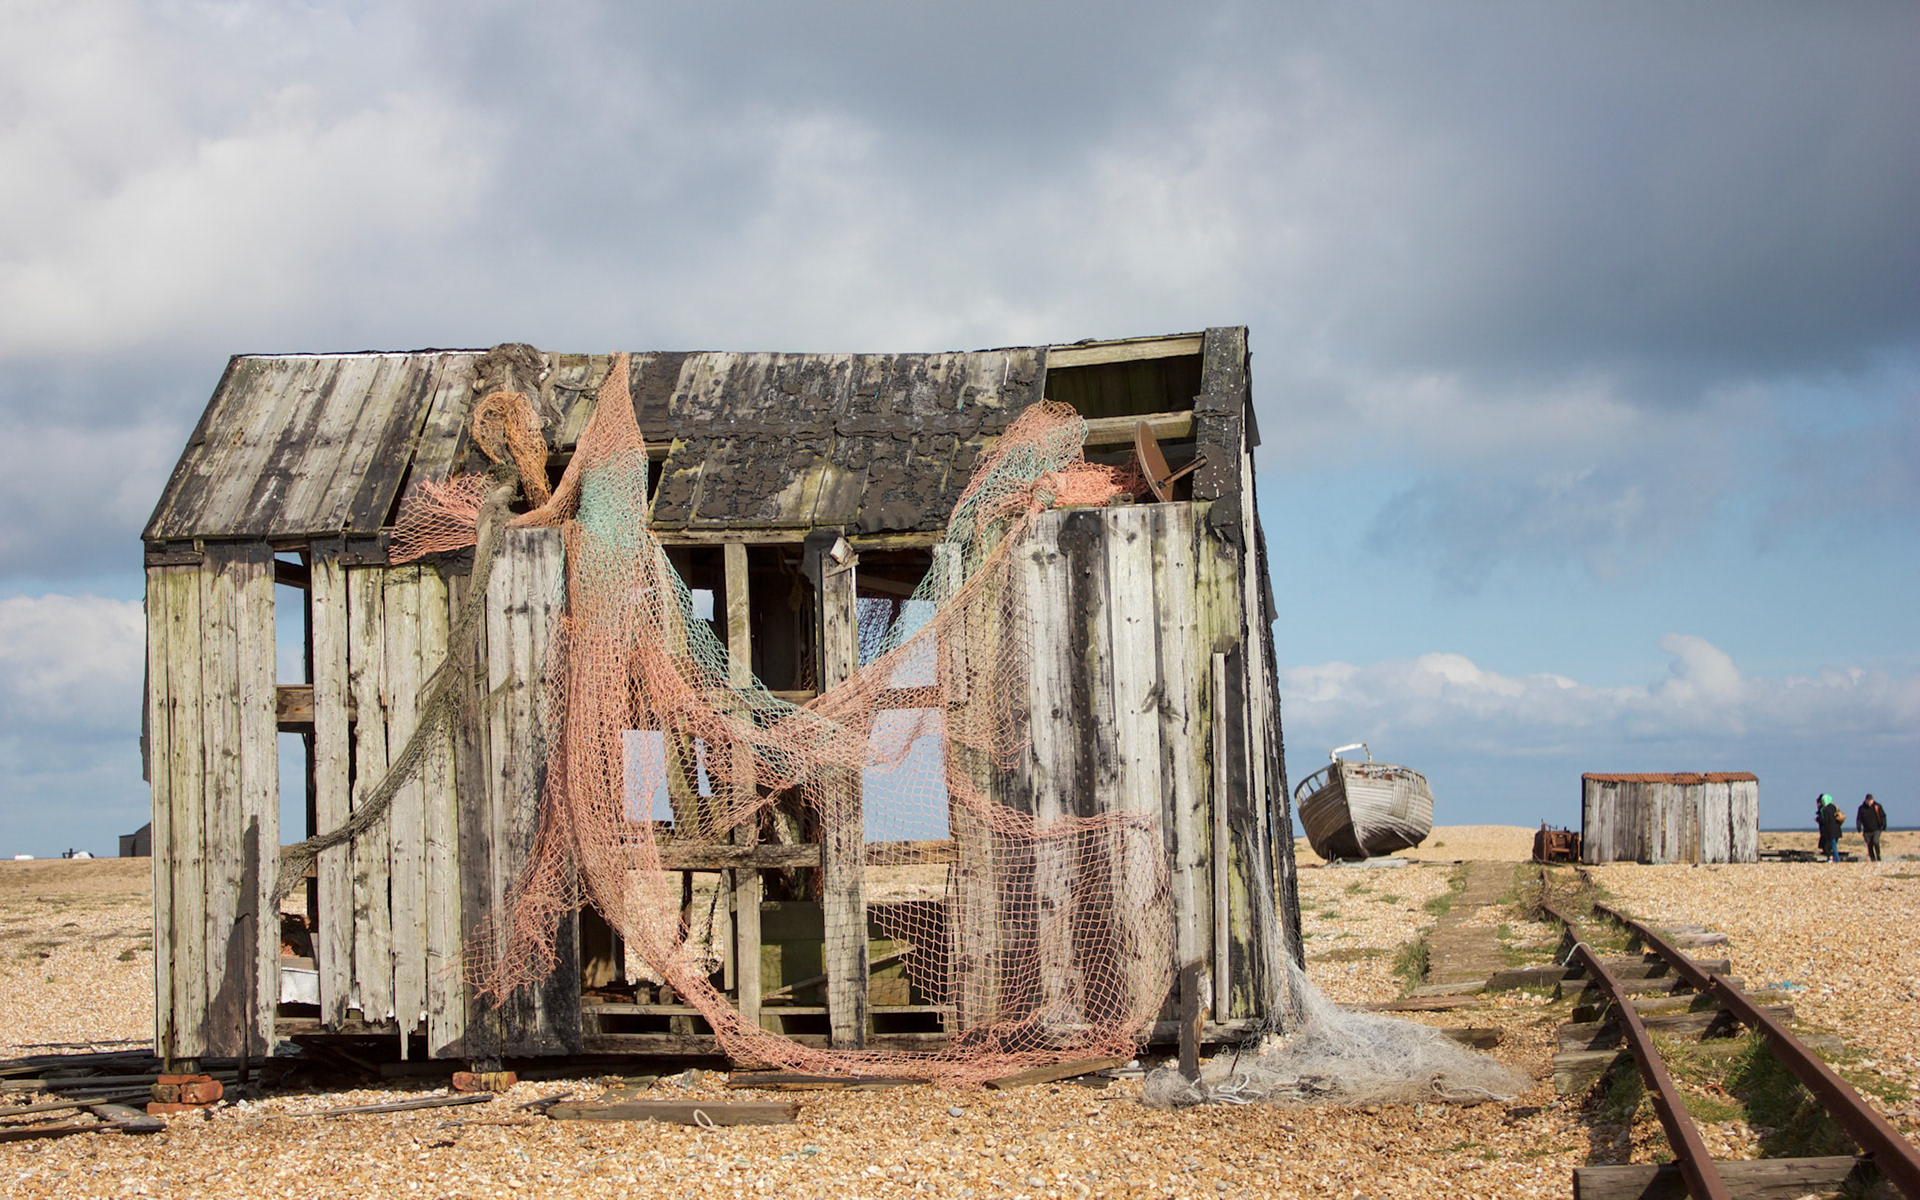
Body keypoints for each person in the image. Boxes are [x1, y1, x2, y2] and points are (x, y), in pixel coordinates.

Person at [1858, 793, 1887, 863]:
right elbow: (1859, 818)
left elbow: (1883, 816)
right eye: (1868, 801)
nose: (1869, 802)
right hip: (1866, 830)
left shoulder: (1877, 806)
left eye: (1870, 801)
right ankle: (1872, 858)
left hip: (1876, 829)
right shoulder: (1861, 808)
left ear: (1873, 800)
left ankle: (1878, 856)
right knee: (1869, 844)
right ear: (1865, 800)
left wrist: (1884, 825)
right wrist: (1859, 826)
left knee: (1876, 841)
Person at [1816, 794, 1844, 862]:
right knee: (1833, 846)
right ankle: (1835, 859)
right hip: (1837, 830)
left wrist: (1818, 819)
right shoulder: (1834, 807)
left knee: (1832, 846)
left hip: (1830, 831)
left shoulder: (1825, 809)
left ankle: (1837, 860)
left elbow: (1825, 821)